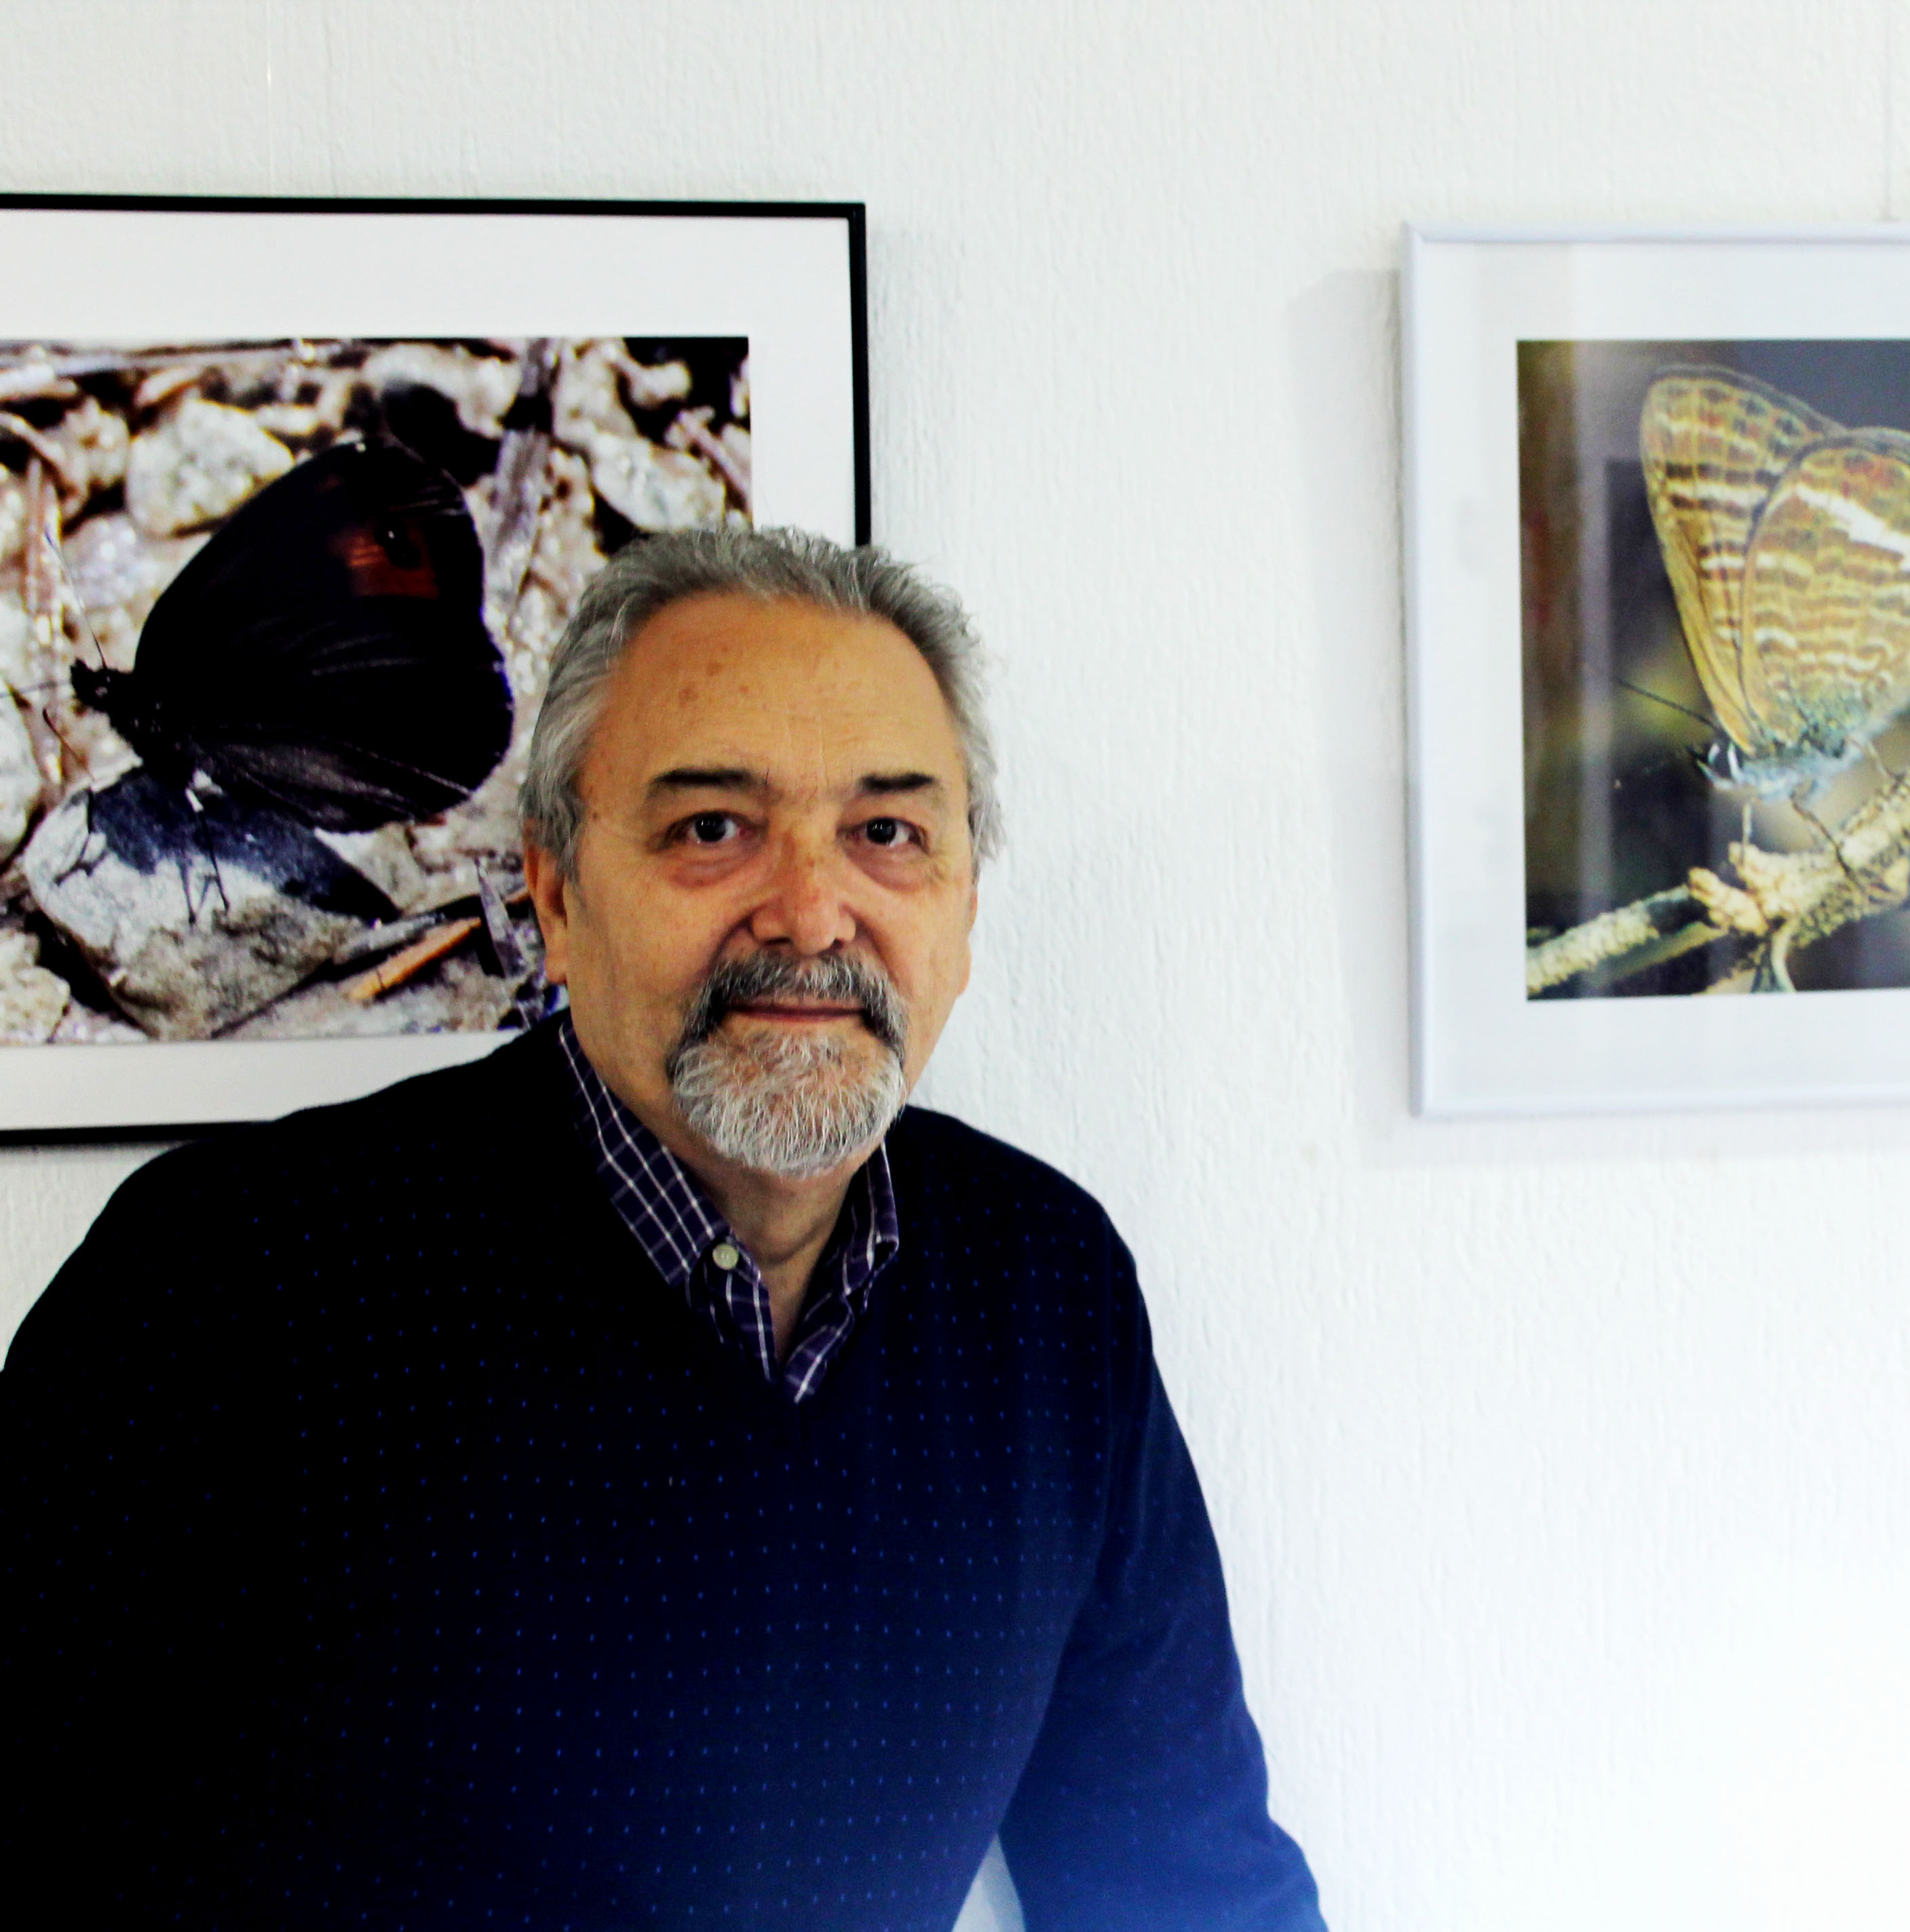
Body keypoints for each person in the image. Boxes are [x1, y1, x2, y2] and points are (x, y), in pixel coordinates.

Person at [3, 528, 1326, 1930]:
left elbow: (1186, 1872)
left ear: (965, 904)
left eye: (887, 832)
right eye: (713, 827)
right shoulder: (227, 1283)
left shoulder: (1047, 1290)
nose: (813, 912)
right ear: (558, 892)